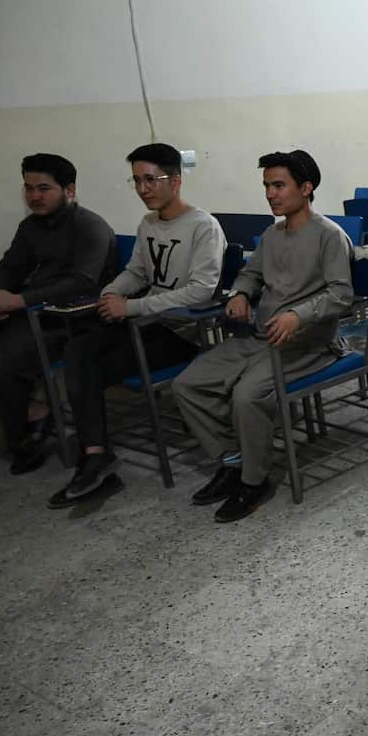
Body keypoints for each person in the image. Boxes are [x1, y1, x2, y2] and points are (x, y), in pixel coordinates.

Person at [172, 150, 352, 523]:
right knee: (187, 384)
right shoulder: (272, 234)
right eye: (267, 186)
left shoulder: (330, 236)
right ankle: (233, 459)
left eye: (279, 185)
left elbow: (340, 295)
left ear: (306, 188)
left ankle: (254, 481)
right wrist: (239, 293)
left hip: (308, 343)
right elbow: (251, 275)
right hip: (260, 337)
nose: (270, 194)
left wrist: (296, 314)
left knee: (247, 394)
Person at [49, 144, 227, 506]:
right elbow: (138, 272)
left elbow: (201, 291)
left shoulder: (202, 226)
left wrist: (131, 307)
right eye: (136, 181)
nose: (143, 188)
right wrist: (111, 293)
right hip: (147, 323)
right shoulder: (148, 224)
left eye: (151, 180)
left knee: (89, 366)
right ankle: (97, 454)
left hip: (180, 332)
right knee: (78, 347)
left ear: (175, 181)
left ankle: (95, 454)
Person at [0, 154, 115, 474]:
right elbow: (11, 266)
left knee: (0, 368)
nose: (34, 196)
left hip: (69, 320)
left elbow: (81, 284)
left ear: (69, 190)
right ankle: (33, 411)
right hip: (29, 312)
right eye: (28, 188)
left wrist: (17, 301)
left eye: (44, 188)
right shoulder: (31, 227)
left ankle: (23, 441)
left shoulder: (90, 226)